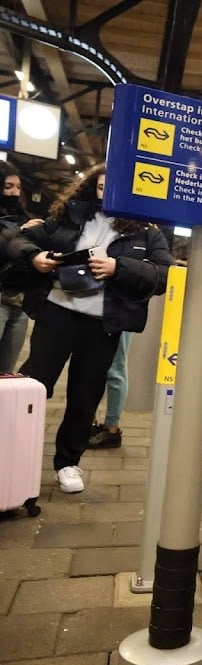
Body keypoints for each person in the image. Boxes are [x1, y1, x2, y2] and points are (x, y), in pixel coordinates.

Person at [11, 164, 172, 494]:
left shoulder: (147, 232)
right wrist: (35, 257)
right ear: (91, 188)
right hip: (56, 314)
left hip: (103, 326)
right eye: (100, 187)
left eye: (113, 188)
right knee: (32, 388)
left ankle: (68, 463)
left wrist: (118, 267)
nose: (106, 194)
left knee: (85, 396)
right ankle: (13, 455)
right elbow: (16, 239)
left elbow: (164, 275)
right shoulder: (69, 217)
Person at [0, 161, 33, 373]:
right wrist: (21, 231)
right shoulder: (20, 225)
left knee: (6, 372)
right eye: (8, 186)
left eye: (18, 187)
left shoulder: (23, 216)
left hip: (20, 302)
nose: (15, 192)